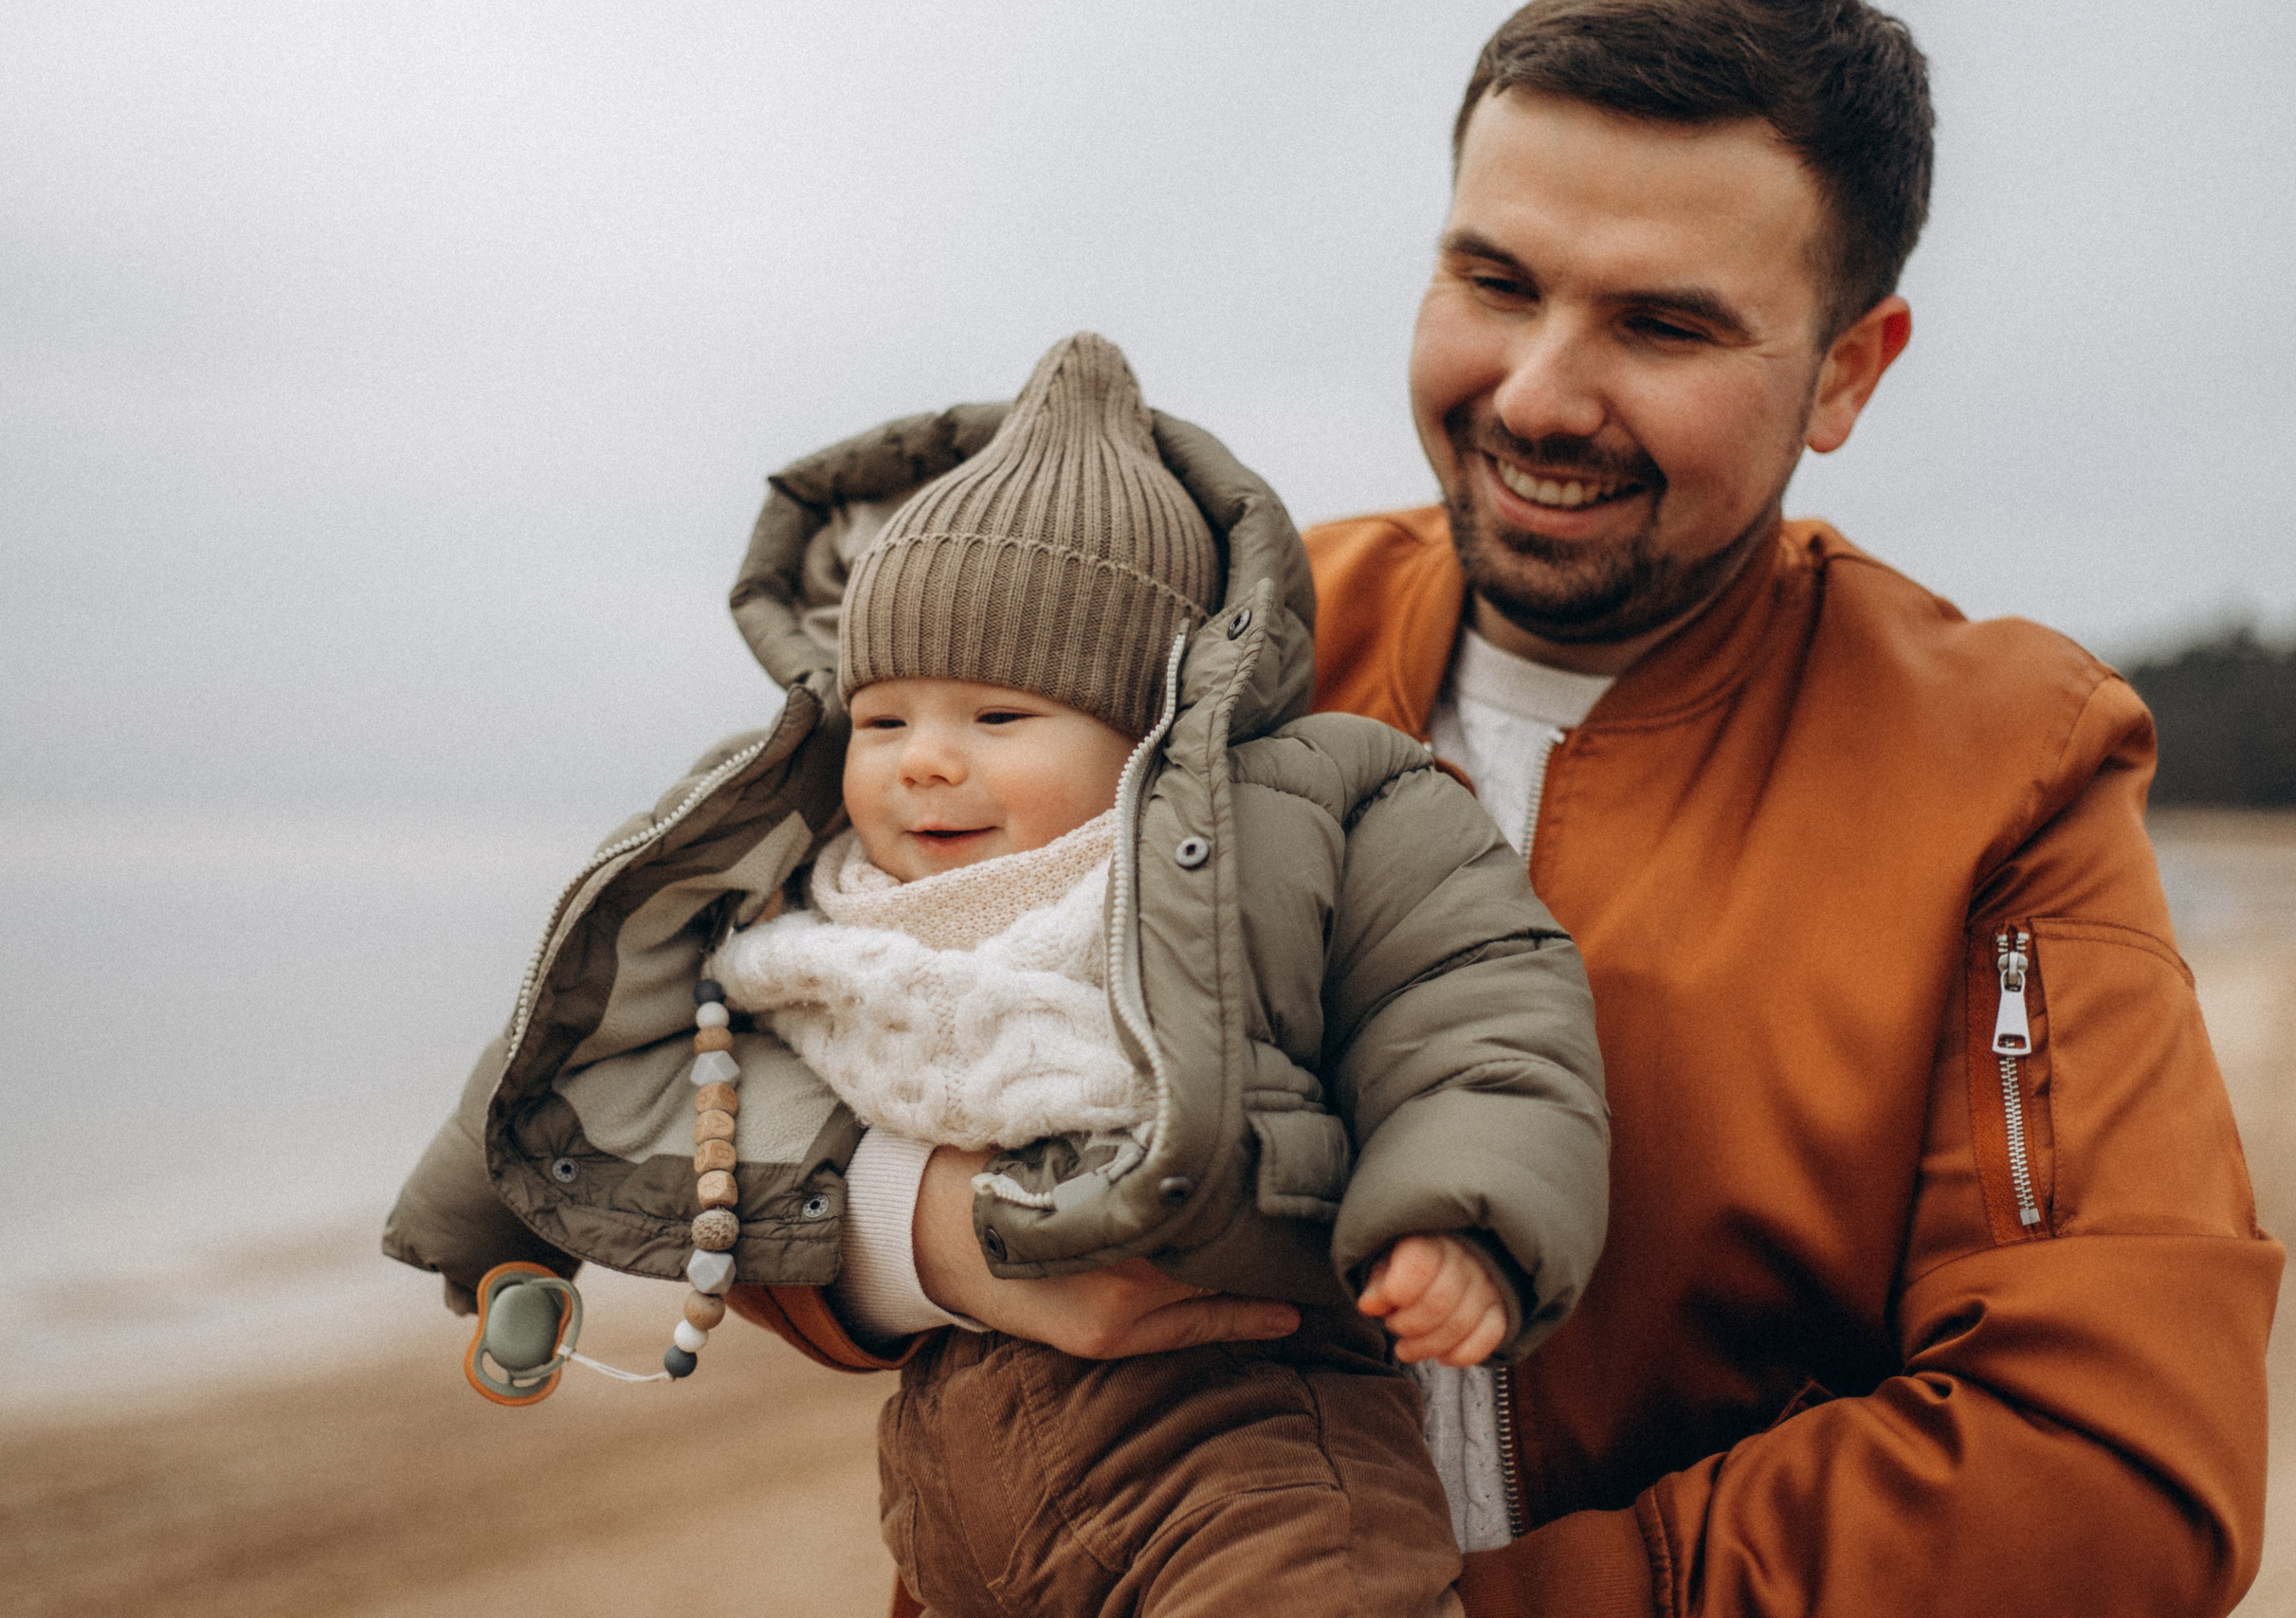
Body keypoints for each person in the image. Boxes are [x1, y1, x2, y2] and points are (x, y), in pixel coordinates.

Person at [740, 4, 2286, 1616]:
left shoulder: (2004, 761)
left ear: (1846, 369)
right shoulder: (1179, 653)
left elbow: (2117, 1463)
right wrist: (930, 1231)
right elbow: (732, 1039)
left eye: (1667, 327)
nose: (1540, 396)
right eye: (1494, 283)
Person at [383, 331, 1611, 1615]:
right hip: (954, 1459)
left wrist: (1462, 1215)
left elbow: (1476, 1008)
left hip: (1242, 1430)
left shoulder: (1294, 822)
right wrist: (494, 1227)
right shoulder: (816, 902)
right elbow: (599, 1019)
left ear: (1150, 726)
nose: (922, 760)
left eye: (998, 718)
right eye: (883, 718)